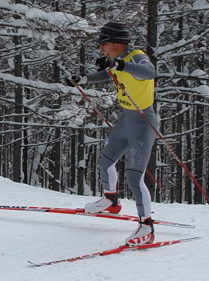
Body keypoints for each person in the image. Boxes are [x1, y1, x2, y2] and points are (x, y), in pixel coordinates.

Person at [66, 21, 158, 246]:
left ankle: (147, 227)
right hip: (126, 120)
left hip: (143, 123)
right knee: (105, 161)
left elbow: (149, 72)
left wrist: (119, 64)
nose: (101, 48)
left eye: (103, 43)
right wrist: (84, 79)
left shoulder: (136, 57)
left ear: (117, 42)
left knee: (134, 177)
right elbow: (109, 74)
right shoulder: (117, 61)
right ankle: (111, 201)